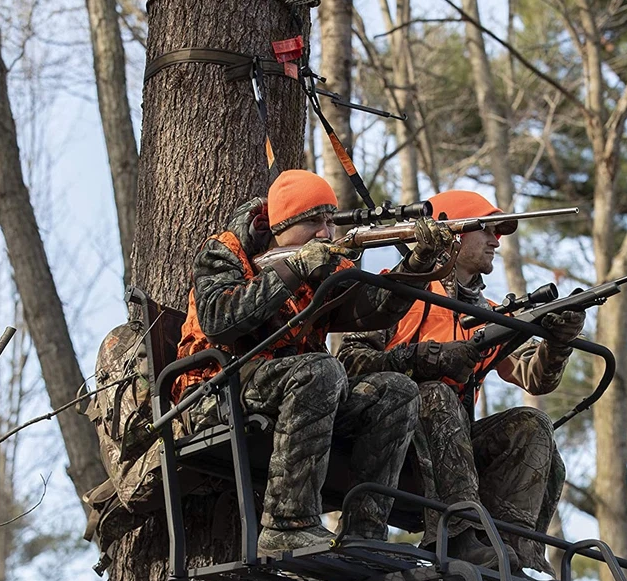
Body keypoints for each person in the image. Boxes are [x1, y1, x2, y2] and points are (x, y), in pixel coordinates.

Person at [173, 169, 453, 557]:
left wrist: (418, 264)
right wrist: (294, 270)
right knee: (321, 369)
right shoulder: (225, 252)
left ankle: (365, 534)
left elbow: (371, 310)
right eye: (313, 222)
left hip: (301, 387)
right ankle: (286, 525)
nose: (325, 232)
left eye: (330, 222)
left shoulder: (325, 265)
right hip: (215, 388)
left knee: (396, 391)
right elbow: (220, 320)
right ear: (281, 225)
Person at [337, 190, 584, 573]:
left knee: (532, 424)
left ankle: (512, 549)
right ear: (453, 232)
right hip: (387, 438)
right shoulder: (398, 293)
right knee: (435, 393)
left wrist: (558, 343)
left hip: (451, 450)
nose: (496, 241)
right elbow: (351, 362)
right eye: (486, 229)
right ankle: (457, 535)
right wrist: (422, 360)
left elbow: (533, 377)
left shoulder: (490, 315)